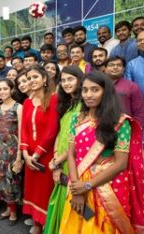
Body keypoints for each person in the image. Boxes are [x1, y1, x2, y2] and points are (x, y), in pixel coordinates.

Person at [59, 71, 144, 233]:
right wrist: (77, 188)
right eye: (85, 90)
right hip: (78, 181)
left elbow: (120, 164)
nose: (89, 95)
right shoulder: (76, 119)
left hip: (108, 186)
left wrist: (87, 185)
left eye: (95, 89)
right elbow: (71, 154)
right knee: (78, 224)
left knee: (104, 227)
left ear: (106, 92)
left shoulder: (120, 122)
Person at [20, 67, 59, 234]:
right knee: (32, 190)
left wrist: (36, 155)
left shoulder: (54, 99)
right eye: (28, 78)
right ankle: (36, 222)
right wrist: (25, 155)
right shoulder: (27, 103)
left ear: (44, 79)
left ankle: (45, 224)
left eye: (35, 77)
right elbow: (24, 130)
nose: (31, 80)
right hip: (30, 156)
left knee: (45, 191)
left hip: (46, 155)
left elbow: (52, 130)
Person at [44, 66, 83, 234]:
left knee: (78, 205)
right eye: (63, 80)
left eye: (70, 79)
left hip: (76, 162)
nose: (66, 83)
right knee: (60, 201)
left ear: (80, 80)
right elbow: (60, 134)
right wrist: (55, 160)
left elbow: (78, 142)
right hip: (60, 160)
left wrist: (57, 161)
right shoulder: (67, 105)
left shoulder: (85, 106)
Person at [0, 78, 23, 225]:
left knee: (11, 181)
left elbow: (22, 133)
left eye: (5, 89)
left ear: (12, 90)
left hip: (12, 150)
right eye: (0, 89)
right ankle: (8, 208)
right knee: (0, 179)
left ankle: (14, 211)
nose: (2, 91)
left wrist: (19, 157)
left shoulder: (18, 107)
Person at [104, 56, 144, 129]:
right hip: (101, 129)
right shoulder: (100, 86)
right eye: (111, 65)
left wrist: (134, 130)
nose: (115, 67)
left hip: (125, 131)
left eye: (119, 65)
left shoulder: (132, 87)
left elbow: (140, 112)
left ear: (123, 69)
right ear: (105, 69)